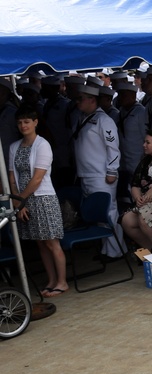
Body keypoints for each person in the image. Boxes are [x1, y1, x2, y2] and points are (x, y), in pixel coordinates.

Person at [8, 106, 68, 297]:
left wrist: (20, 201)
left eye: (27, 121)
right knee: (40, 244)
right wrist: (18, 201)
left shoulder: (43, 145)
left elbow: (37, 178)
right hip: (24, 201)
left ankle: (62, 281)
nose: (23, 125)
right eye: (19, 122)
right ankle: (51, 280)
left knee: (52, 242)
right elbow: (11, 176)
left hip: (43, 199)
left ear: (35, 122)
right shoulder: (14, 146)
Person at [73, 84, 122, 258]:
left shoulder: (104, 120)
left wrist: (112, 171)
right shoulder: (82, 117)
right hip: (87, 173)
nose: (77, 101)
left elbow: (113, 148)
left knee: (108, 212)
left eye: (81, 98)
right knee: (99, 216)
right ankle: (105, 249)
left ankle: (115, 251)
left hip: (101, 175)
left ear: (92, 100)